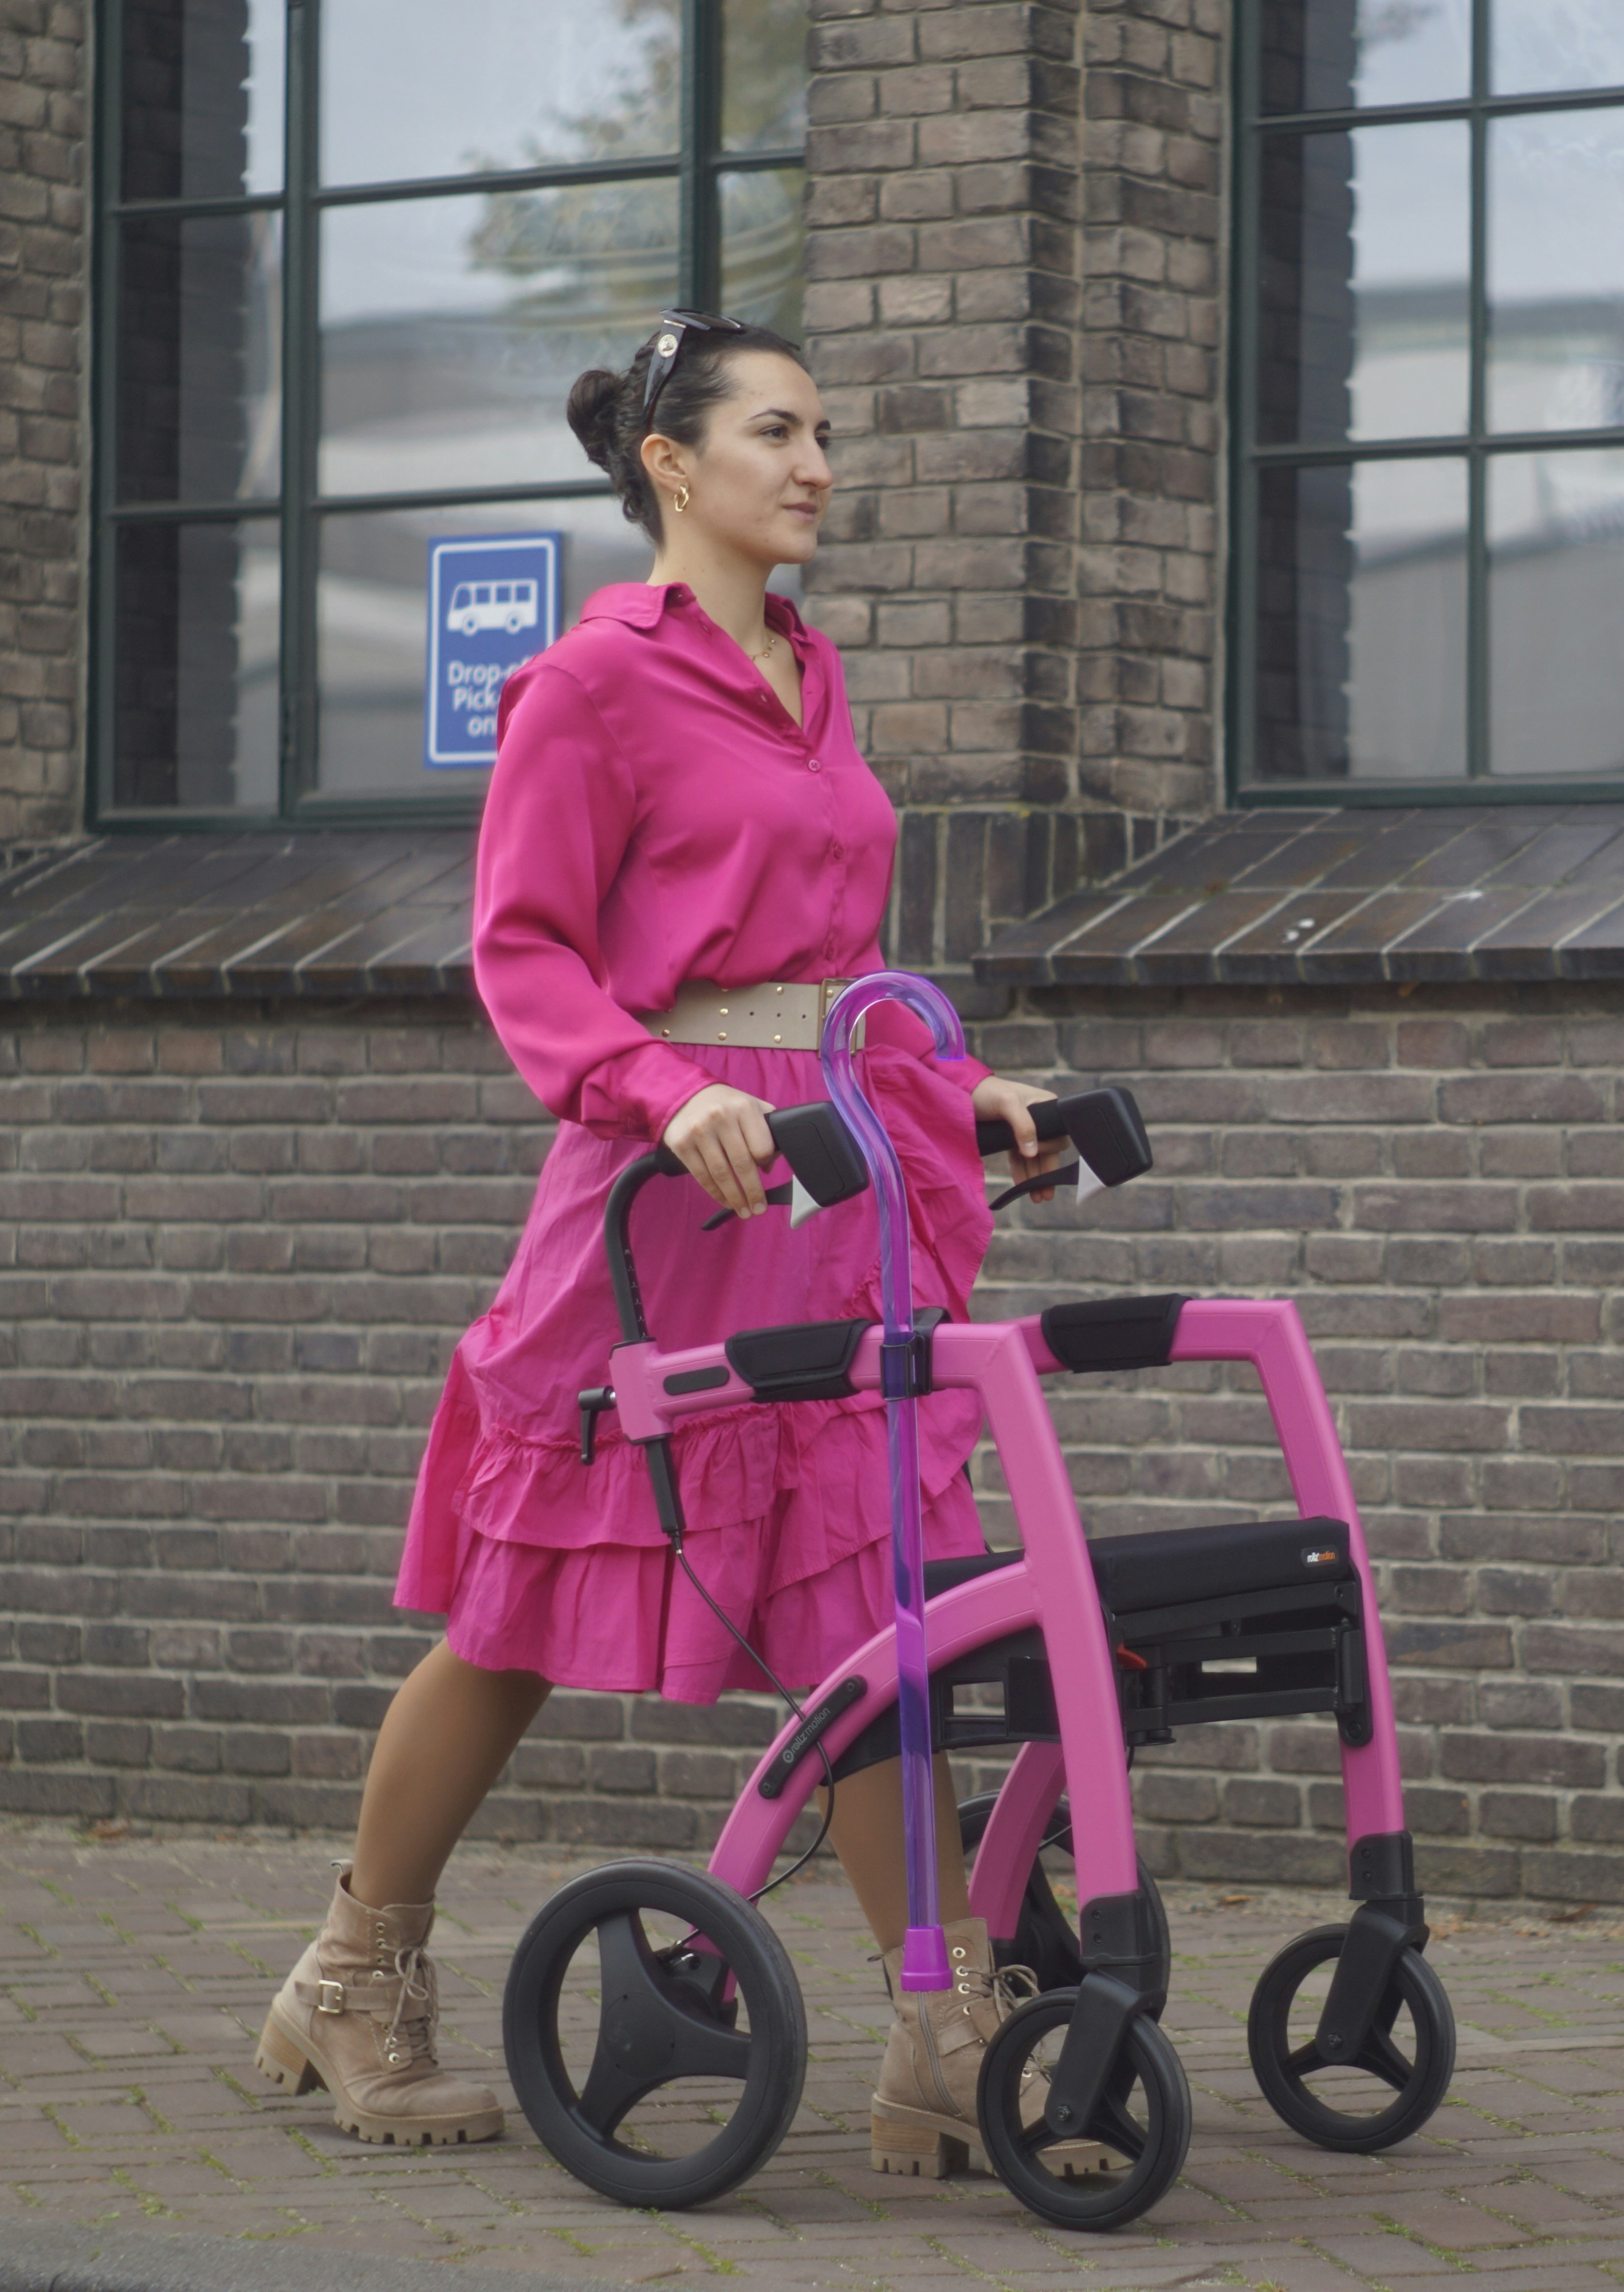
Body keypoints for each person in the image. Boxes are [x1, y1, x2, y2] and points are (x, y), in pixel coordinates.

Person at [250, 308, 1080, 2180]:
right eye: (780, 432)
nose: (817, 468)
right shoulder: (587, 687)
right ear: (670, 464)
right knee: (518, 1612)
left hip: (825, 1193)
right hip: (660, 1199)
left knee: (885, 1618)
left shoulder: (813, 671)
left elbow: (823, 970)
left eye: (826, 437)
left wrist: (960, 1082)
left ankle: (940, 2032)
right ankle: (351, 1973)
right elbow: (527, 949)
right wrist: (648, 1086)